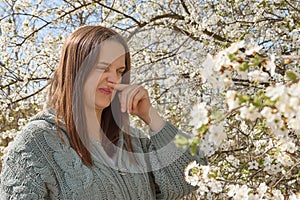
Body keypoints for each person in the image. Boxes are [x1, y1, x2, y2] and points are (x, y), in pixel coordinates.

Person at [0, 25, 207, 199]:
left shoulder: (132, 142)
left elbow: (195, 173)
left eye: (119, 71)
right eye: (103, 68)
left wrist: (149, 114)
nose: (114, 80)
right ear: (77, 68)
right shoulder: (37, 142)